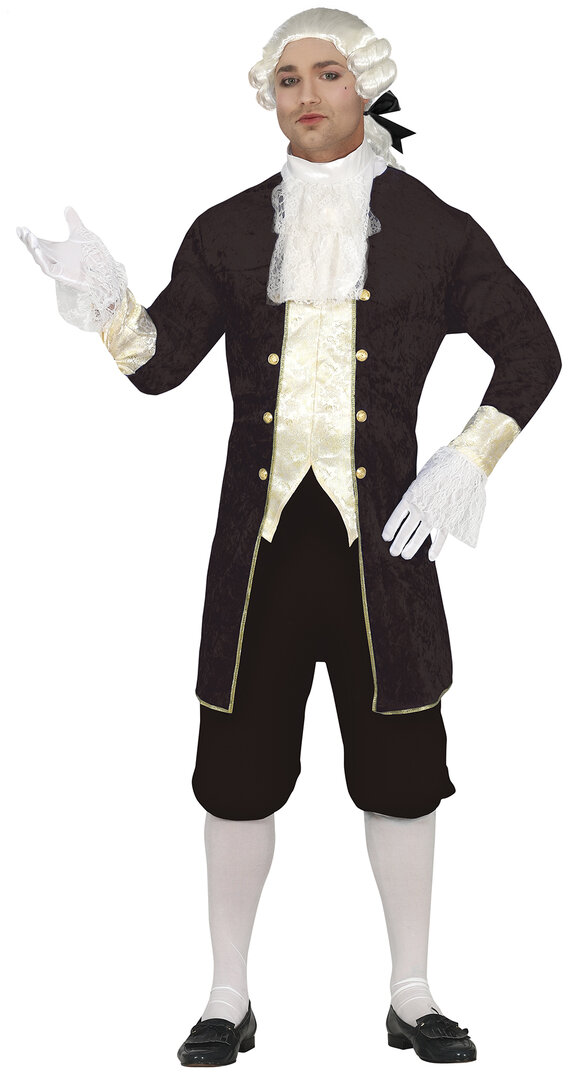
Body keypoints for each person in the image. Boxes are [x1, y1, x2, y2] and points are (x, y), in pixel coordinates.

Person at [16, 6, 561, 1068]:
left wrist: (466, 459)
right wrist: (106, 301)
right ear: (268, 96)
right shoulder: (227, 229)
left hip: (386, 555)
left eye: (328, 75)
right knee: (235, 774)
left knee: (402, 769)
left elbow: (532, 351)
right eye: (287, 80)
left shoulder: (437, 229)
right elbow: (160, 366)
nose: (306, 96)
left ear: (368, 84)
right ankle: (226, 995)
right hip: (257, 557)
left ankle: (412, 992)